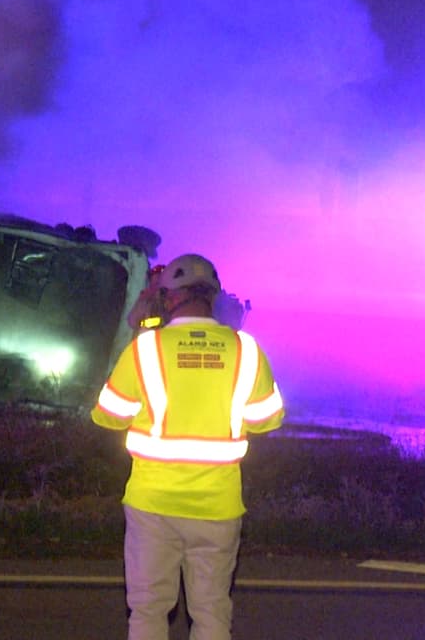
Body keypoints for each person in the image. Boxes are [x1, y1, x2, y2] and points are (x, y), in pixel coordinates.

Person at [92, 253, 285, 640]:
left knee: (148, 610)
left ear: (166, 299)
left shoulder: (145, 349)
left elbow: (108, 416)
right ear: (213, 298)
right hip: (218, 505)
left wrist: (138, 329)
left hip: (152, 504)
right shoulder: (246, 350)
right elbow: (268, 419)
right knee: (212, 614)